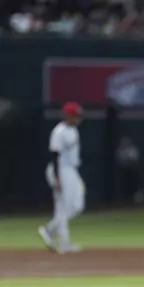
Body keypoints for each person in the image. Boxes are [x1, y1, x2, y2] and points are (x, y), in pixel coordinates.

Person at [38, 102, 85, 254]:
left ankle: (49, 229)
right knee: (63, 208)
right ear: (68, 116)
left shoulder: (74, 130)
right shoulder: (59, 131)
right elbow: (54, 155)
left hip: (71, 170)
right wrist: (57, 178)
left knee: (78, 205)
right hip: (60, 170)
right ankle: (64, 244)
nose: (78, 118)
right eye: (76, 115)